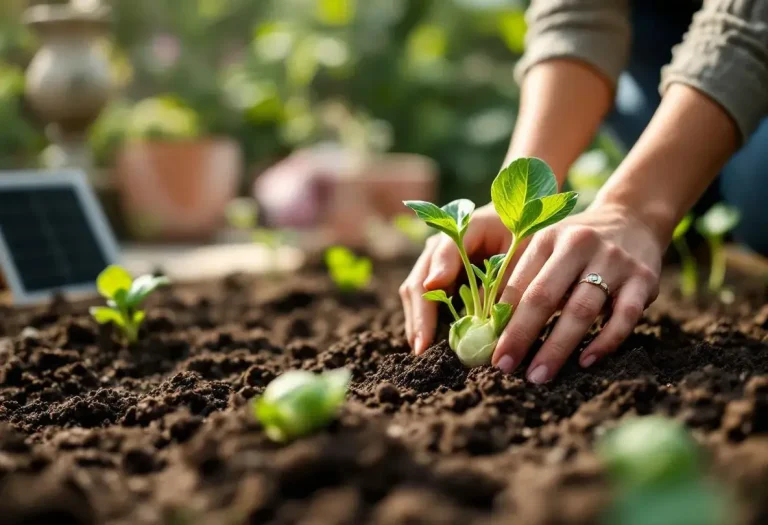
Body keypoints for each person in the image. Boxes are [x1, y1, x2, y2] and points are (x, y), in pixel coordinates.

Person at [400, 0, 768, 384]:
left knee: (758, 202)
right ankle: (694, 178)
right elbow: (578, 13)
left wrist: (634, 209)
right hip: (665, 44)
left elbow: (750, 26)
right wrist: (517, 211)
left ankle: (695, 184)